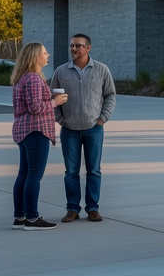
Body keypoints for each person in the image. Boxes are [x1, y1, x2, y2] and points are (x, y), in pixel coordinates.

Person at [49, 32, 117, 223]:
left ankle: (93, 209)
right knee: (71, 171)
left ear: (88, 48)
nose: (74, 49)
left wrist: (103, 117)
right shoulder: (60, 72)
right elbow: (53, 98)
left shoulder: (102, 70)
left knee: (94, 170)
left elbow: (110, 95)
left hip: (94, 128)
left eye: (78, 45)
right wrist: (60, 119)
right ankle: (72, 209)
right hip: (69, 129)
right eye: (72, 46)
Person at [11, 41, 68, 231]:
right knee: (34, 175)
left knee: (24, 174)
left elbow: (30, 104)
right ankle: (33, 219)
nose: (48, 55)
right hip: (36, 131)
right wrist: (55, 102)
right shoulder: (34, 79)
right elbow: (36, 108)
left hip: (24, 131)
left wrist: (48, 97)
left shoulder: (23, 78)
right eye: (44, 52)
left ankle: (20, 217)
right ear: (35, 56)